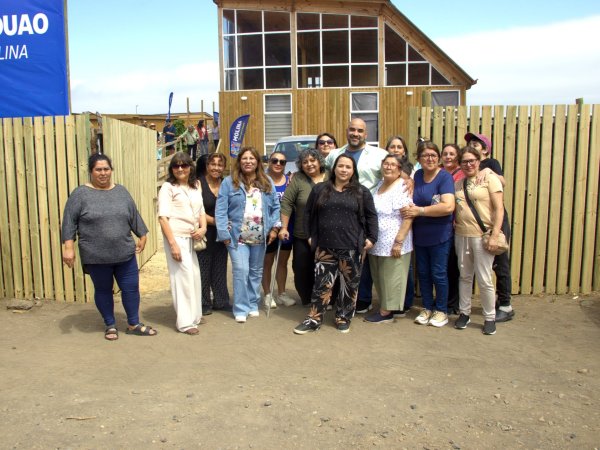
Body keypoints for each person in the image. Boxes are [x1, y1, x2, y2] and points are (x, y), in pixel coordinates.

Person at [61, 153, 157, 341]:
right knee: (103, 289)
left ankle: (134, 323)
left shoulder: (121, 191)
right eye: (98, 169)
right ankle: (110, 324)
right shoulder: (80, 194)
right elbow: (69, 222)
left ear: (111, 170)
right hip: (96, 255)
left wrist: (142, 234)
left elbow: (133, 214)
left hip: (125, 252)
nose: (103, 173)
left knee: (131, 288)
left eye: (106, 169)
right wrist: (68, 248)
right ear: (91, 171)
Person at [293, 153, 378, 334]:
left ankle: (343, 317)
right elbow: (308, 214)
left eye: (348, 167)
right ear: (334, 168)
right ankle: (314, 319)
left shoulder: (361, 192)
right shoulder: (320, 189)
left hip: (352, 247)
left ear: (353, 170)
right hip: (324, 246)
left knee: (349, 285)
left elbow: (371, 216)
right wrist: (309, 236)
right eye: (340, 166)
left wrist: (371, 238)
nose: (344, 170)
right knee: (321, 285)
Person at [324, 118, 388, 314]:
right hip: (340, 213)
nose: (355, 133)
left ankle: (363, 298)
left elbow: (397, 171)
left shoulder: (379, 155)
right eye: (352, 129)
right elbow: (325, 178)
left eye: (360, 131)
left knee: (363, 255)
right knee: (342, 256)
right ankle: (340, 297)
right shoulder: (334, 154)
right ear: (347, 131)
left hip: (365, 212)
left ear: (365, 134)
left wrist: (407, 179)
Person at [215, 146, 281, 323]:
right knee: (241, 270)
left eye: (252, 158)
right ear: (239, 161)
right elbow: (220, 210)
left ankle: (252, 303)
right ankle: (240, 308)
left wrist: (274, 228)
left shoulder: (266, 181)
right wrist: (223, 233)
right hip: (237, 237)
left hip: (260, 236)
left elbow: (276, 207)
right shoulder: (229, 182)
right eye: (244, 158)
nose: (248, 161)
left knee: (256, 272)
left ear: (258, 162)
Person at [401, 140, 455, 327]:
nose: (430, 159)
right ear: (418, 159)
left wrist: (420, 211)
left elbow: (448, 206)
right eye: (425, 155)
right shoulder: (417, 175)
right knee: (423, 273)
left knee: (438, 273)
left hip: (440, 234)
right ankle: (427, 307)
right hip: (420, 234)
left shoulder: (444, 177)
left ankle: (441, 310)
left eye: (433, 155)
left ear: (438, 158)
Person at [453, 146, 504, 335]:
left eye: (471, 161)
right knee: (465, 277)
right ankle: (464, 313)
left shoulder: (490, 179)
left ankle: (489, 317)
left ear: (478, 161)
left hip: (482, 236)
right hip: (461, 234)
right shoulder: (458, 184)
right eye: (464, 161)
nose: (468, 165)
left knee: (484, 279)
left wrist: (495, 235)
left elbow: (499, 209)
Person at [464, 132, 514, 322]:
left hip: (496, 221)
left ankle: (506, 305)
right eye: (470, 143)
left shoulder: (490, 163)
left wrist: (489, 172)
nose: (472, 146)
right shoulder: (468, 167)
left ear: (485, 150)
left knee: (500, 261)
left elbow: (503, 181)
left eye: (476, 144)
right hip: (476, 224)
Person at [158, 152, 207, 335]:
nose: (180, 169)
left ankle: (195, 315)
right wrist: (173, 244)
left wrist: (203, 228)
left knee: (193, 275)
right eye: (176, 166)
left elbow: (201, 211)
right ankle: (185, 322)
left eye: (184, 165)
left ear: (190, 167)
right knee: (182, 278)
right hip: (176, 236)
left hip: (192, 237)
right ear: (172, 169)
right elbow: (163, 218)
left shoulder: (196, 186)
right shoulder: (168, 187)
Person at [365, 154, 414, 323]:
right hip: (378, 242)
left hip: (394, 242)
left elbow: (408, 216)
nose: (388, 167)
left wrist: (398, 242)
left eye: (393, 165)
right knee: (381, 277)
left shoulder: (401, 186)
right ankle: (386, 307)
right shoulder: (380, 184)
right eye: (386, 164)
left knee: (392, 277)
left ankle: (387, 312)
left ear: (400, 170)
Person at [279, 148, 329, 306]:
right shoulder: (298, 179)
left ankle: (326, 298)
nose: (309, 164)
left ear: (319, 161)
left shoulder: (330, 176)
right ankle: (307, 298)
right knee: (301, 267)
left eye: (312, 160)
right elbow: (287, 202)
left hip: (327, 233)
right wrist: (284, 227)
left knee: (326, 266)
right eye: (305, 162)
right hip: (302, 232)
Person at [197, 153, 231, 316]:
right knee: (203, 269)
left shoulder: (226, 184)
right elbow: (196, 210)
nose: (216, 168)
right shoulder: (198, 184)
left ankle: (221, 301)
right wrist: (217, 221)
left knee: (220, 267)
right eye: (213, 164)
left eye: (220, 164)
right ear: (207, 166)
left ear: (224, 167)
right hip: (204, 232)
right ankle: (203, 303)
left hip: (222, 234)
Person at [261, 151, 295, 307]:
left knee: (282, 262)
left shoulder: (290, 181)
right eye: (275, 160)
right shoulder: (262, 180)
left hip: (287, 227)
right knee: (267, 262)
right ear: (269, 162)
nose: (278, 164)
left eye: (282, 162)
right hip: (269, 228)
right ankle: (268, 294)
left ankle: (281, 293)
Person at [441, 143, 465, 315]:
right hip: (442, 226)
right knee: (444, 266)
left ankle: (453, 302)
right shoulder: (439, 173)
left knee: (454, 267)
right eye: (445, 154)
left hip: (458, 225)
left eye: (452, 154)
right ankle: (445, 300)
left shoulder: (462, 174)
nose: (448, 157)